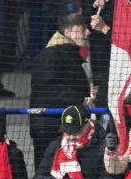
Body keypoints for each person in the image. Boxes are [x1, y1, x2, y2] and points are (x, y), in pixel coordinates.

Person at [29, 13, 99, 163]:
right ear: (67, 32)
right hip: (49, 129)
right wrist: (82, 99)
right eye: (82, 29)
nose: (88, 33)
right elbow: (48, 92)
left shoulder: (65, 54)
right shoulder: (50, 56)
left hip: (62, 126)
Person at [32, 106, 120, 179]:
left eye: (75, 132)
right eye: (66, 132)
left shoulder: (104, 145)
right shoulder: (55, 146)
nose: (70, 137)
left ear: (86, 126)